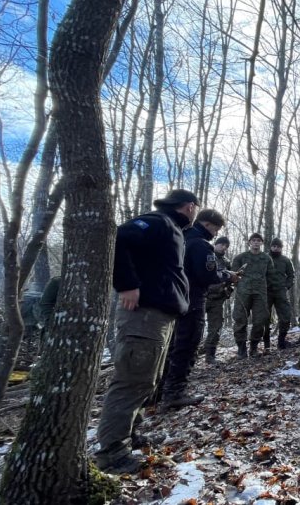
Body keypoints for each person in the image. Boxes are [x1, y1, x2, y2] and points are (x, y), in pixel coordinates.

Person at [94, 189, 198, 474]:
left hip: (159, 316)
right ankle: (112, 453)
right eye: (195, 208)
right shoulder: (158, 221)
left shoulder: (171, 228)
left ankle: (130, 436)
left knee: (147, 381)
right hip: (143, 316)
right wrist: (126, 284)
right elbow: (119, 239)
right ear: (189, 207)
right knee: (132, 380)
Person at [161, 209, 237, 409]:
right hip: (193, 299)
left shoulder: (181, 238)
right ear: (208, 224)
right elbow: (207, 276)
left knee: (173, 345)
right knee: (187, 345)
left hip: (174, 298)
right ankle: (174, 393)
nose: (216, 233)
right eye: (216, 229)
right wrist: (227, 276)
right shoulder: (201, 245)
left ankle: (162, 389)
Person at [231, 233, 275, 358]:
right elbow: (233, 275)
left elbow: (271, 276)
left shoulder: (266, 258)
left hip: (260, 294)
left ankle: (254, 348)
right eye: (254, 240)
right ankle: (241, 349)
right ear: (249, 242)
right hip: (243, 293)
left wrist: (268, 289)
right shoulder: (240, 257)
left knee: (260, 320)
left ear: (261, 243)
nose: (256, 243)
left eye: (258, 241)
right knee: (240, 320)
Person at [203, 236, 233, 364]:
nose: (224, 247)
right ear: (215, 244)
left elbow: (230, 280)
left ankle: (210, 356)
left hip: (217, 300)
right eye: (221, 244)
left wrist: (228, 290)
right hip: (202, 297)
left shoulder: (226, 262)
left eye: (226, 246)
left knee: (215, 328)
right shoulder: (205, 254)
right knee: (193, 328)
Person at [264, 237, 295, 349]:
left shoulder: (286, 260)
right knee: (264, 318)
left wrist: (286, 286)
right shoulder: (264, 258)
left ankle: (281, 342)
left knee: (286, 316)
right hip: (266, 292)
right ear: (271, 247)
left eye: (279, 247)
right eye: (274, 246)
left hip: (280, 292)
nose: (276, 248)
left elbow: (291, 275)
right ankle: (266, 344)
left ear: (281, 248)